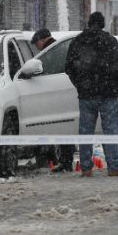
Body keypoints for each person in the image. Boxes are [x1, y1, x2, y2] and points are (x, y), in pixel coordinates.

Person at [65, 11, 118, 177]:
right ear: (102, 24)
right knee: (110, 130)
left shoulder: (78, 41)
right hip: (108, 94)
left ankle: (86, 168)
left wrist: (80, 85)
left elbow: (69, 67)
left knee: (85, 131)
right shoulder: (110, 41)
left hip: (86, 95)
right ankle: (114, 166)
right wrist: (115, 85)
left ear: (88, 23)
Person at [31, 28, 76, 172]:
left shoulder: (51, 52)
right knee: (63, 128)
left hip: (56, 95)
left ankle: (65, 161)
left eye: (36, 43)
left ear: (43, 40)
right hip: (61, 93)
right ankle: (64, 160)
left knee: (61, 128)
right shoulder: (57, 49)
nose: (36, 46)